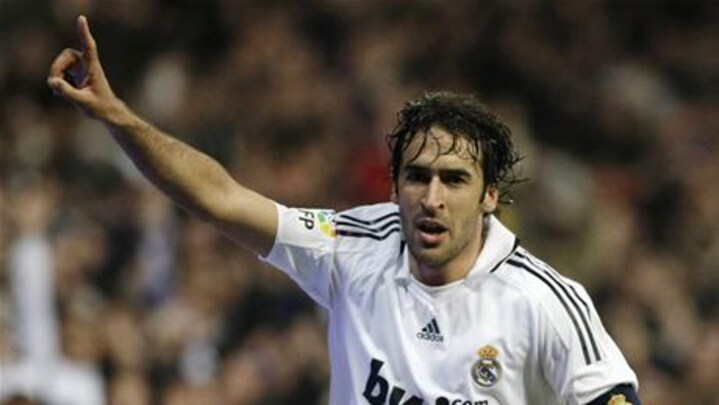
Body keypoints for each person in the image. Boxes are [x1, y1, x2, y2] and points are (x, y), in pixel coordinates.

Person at [48, 15, 640, 405]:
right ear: (394, 186)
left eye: (455, 180)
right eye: (417, 177)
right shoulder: (354, 247)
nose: (432, 197)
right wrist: (116, 116)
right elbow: (219, 197)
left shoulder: (542, 300)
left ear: (490, 197)